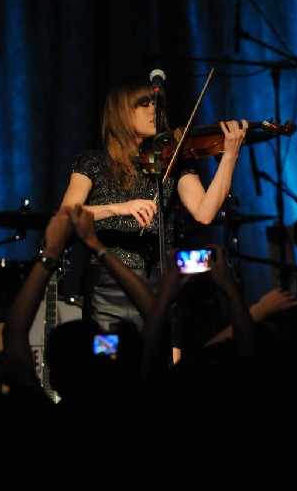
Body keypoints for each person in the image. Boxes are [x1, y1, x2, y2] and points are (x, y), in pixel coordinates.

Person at [59, 73, 249, 337]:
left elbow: (205, 213)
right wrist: (118, 208)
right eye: (145, 104)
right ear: (121, 110)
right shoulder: (91, 162)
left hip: (162, 285)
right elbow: (66, 214)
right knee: (108, 367)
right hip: (107, 288)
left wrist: (230, 156)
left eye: (157, 105)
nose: (154, 111)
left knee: (168, 368)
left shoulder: (175, 160)